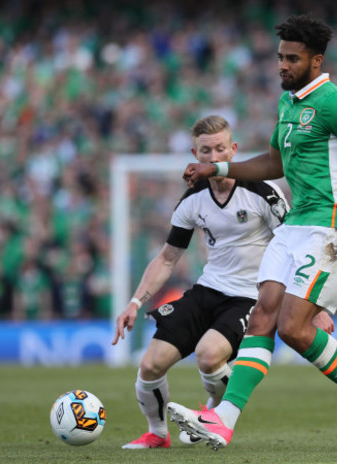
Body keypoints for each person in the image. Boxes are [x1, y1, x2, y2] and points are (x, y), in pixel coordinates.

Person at [167, 14, 337, 453]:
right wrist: (216, 168)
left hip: (331, 227)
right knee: (262, 316)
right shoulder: (289, 104)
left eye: (293, 58)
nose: (283, 65)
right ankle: (224, 421)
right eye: (280, 57)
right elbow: (275, 164)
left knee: (293, 328)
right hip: (294, 227)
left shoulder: (335, 103)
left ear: (316, 60)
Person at [111, 115, 290, 449]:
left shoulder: (263, 192)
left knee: (208, 356)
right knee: (150, 365)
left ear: (233, 150)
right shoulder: (192, 198)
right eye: (206, 151)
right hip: (208, 290)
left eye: (221, 149)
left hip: (251, 297)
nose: (213, 157)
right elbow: (168, 257)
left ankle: (214, 415)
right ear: (195, 153)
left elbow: (294, 244)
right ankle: (158, 434)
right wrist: (134, 302)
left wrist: (308, 302)